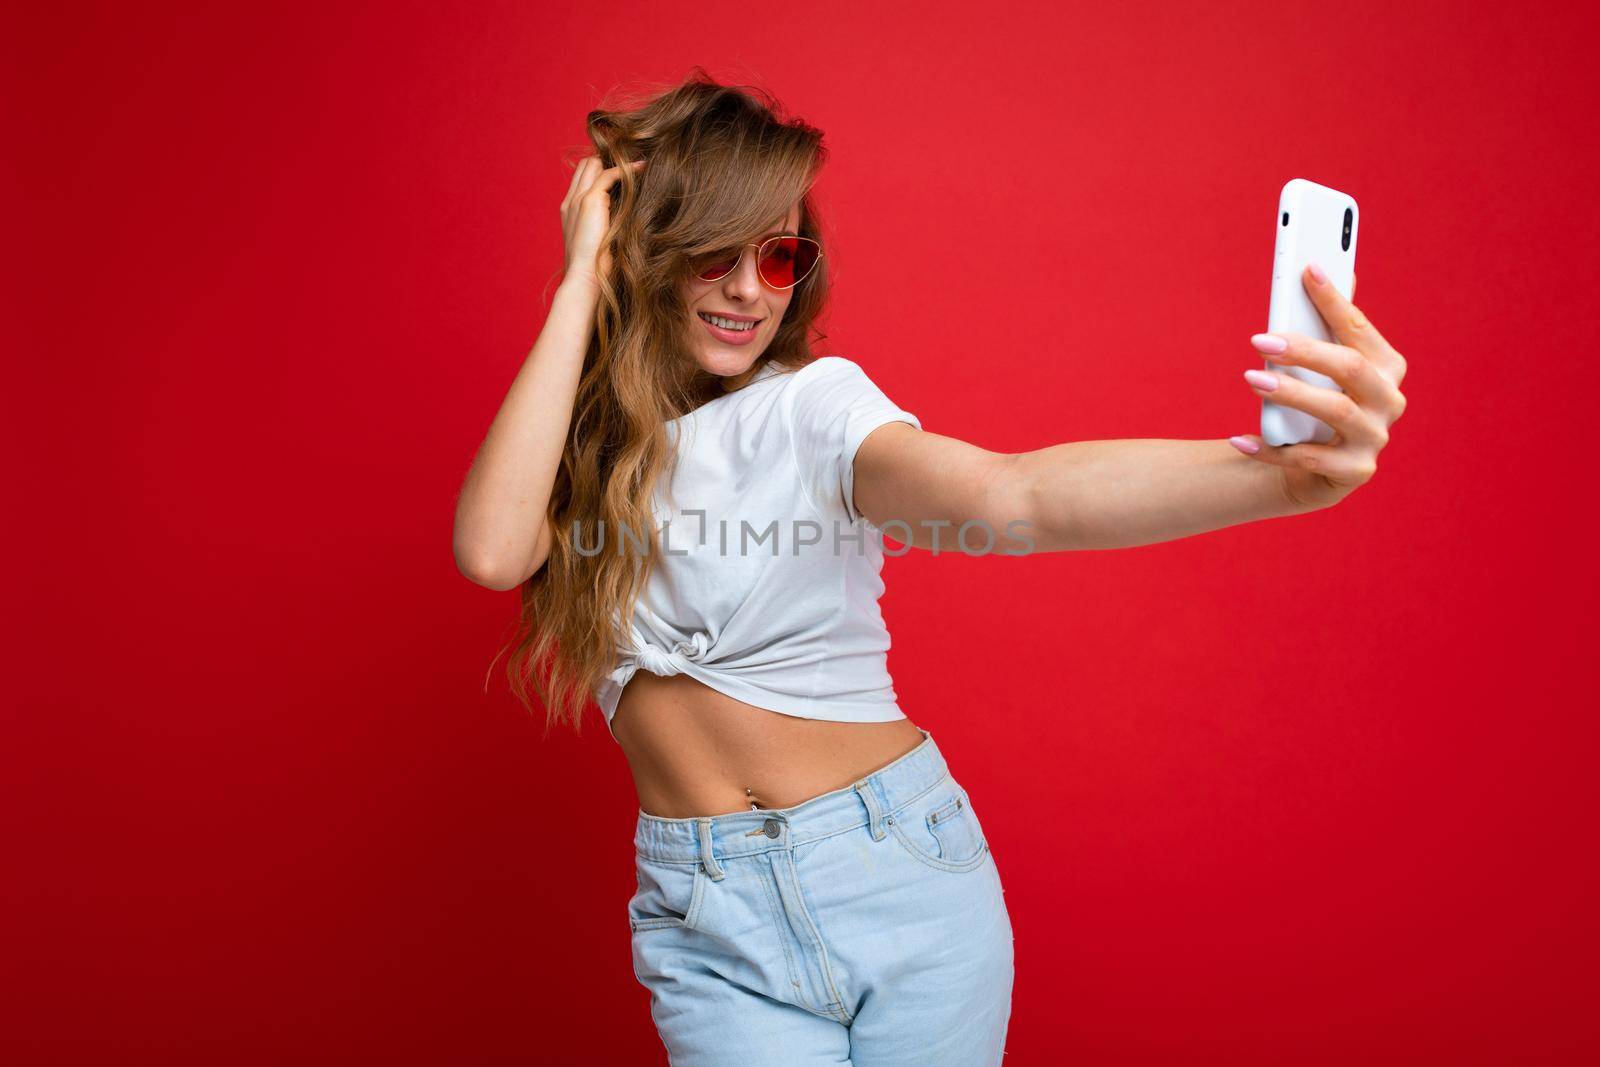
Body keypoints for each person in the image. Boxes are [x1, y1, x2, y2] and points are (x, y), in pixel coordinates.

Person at [451, 71, 1408, 1067]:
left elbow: (1013, 497)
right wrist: (579, 284)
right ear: (641, 249)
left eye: (778, 255)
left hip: (891, 872)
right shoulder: (575, 452)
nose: (748, 289)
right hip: (706, 918)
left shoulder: (815, 406)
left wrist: (1278, 481)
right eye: (712, 253)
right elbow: (491, 549)